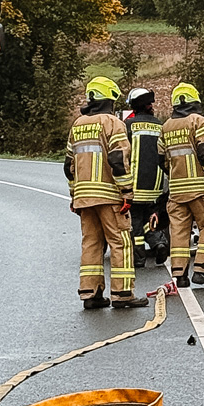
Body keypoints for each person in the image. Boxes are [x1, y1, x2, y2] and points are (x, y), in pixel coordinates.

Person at [65, 77, 148, 308]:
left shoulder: (78, 125)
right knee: (120, 242)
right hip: (110, 196)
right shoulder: (113, 124)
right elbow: (118, 160)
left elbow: (68, 165)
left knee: (91, 243)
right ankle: (123, 295)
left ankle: (90, 295)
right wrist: (127, 193)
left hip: (84, 197)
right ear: (109, 99)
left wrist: (74, 196)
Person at [159, 83, 204, 287]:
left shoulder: (166, 126)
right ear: (194, 101)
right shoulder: (198, 121)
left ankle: (179, 275)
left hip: (177, 191)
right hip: (200, 189)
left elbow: (161, 159)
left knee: (179, 231)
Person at [124, 87, 168, 267]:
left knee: (134, 223)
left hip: (134, 186)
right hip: (155, 186)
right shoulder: (160, 126)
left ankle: (138, 259)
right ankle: (159, 242)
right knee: (150, 218)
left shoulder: (127, 126)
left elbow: (121, 156)